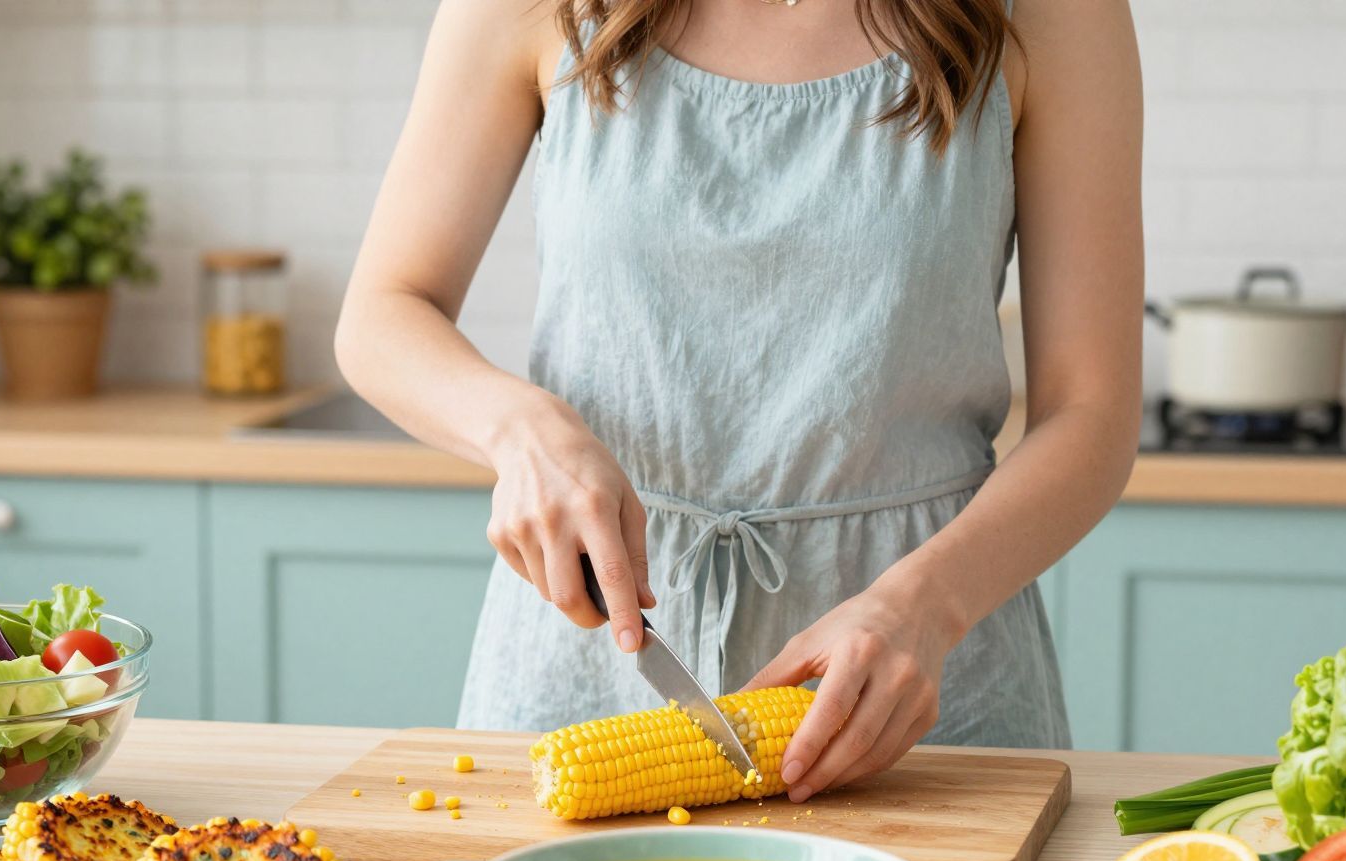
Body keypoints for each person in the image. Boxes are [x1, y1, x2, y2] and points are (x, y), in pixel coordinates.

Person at [336, 0, 1143, 803]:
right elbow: (383, 313)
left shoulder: (1054, 15)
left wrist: (924, 607)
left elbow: (1091, 412)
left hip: (918, 679)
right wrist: (520, 431)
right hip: (590, 665)